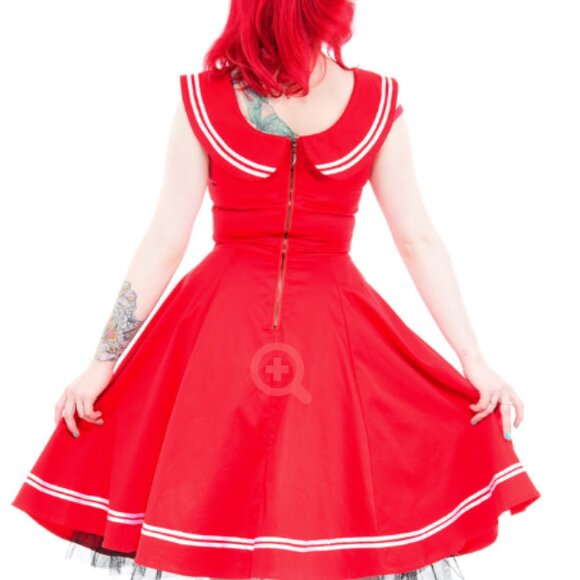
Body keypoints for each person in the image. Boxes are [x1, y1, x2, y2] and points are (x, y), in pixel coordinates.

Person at [10, 1, 541, 579]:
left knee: (219, 513)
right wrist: (472, 360)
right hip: (332, 333)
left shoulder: (204, 99)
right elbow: (417, 240)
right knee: (317, 510)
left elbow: (164, 244)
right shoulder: (375, 100)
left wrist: (102, 363)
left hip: (218, 330)